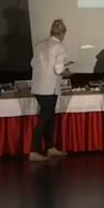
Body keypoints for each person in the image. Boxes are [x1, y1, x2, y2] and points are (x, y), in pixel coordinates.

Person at [29, 18, 72, 162]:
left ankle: (50, 147)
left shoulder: (39, 45)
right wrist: (67, 72)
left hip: (38, 86)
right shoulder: (60, 47)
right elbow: (58, 69)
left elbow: (32, 63)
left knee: (50, 116)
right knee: (45, 117)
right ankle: (34, 151)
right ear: (63, 33)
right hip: (49, 88)